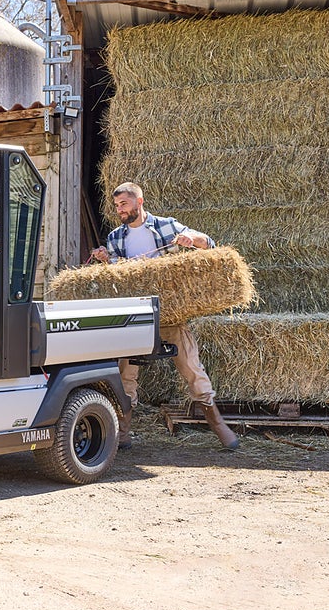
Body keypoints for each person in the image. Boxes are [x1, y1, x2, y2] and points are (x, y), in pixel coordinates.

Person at [91, 181, 239, 451]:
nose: (120, 210)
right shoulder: (115, 237)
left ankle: (219, 426)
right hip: (135, 317)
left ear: (139, 201)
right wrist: (104, 259)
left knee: (192, 369)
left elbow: (210, 244)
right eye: (116, 206)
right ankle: (122, 433)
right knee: (126, 375)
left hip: (169, 313)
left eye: (124, 204)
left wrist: (191, 239)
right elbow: (115, 275)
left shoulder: (166, 226)